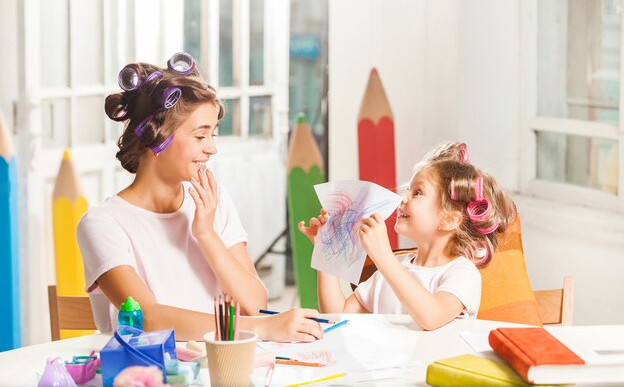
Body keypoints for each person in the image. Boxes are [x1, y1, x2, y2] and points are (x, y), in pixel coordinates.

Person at [77, 52, 323, 342]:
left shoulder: (212, 203)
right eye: (200, 136)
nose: (211, 149)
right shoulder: (103, 223)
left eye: (213, 135)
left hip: (224, 366)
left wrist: (206, 234)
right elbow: (148, 318)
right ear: (156, 138)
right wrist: (263, 329)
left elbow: (256, 306)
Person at [298, 142, 517, 330]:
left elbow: (431, 317)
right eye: (408, 190)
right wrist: (327, 253)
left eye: (417, 192)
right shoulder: (393, 269)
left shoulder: (461, 272)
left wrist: (383, 258)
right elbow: (337, 316)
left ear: (449, 219)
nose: (402, 198)